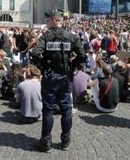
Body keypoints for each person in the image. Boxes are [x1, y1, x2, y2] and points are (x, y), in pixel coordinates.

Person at [31, 9, 86, 152]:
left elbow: (36, 54)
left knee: (48, 109)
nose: (46, 22)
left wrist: (43, 65)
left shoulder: (45, 37)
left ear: (55, 20)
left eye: (48, 20)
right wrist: (72, 64)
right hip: (66, 76)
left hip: (50, 76)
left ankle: (46, 142)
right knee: (66, 108)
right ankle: (65, 141)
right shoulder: (72, 37)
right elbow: (83, 56)